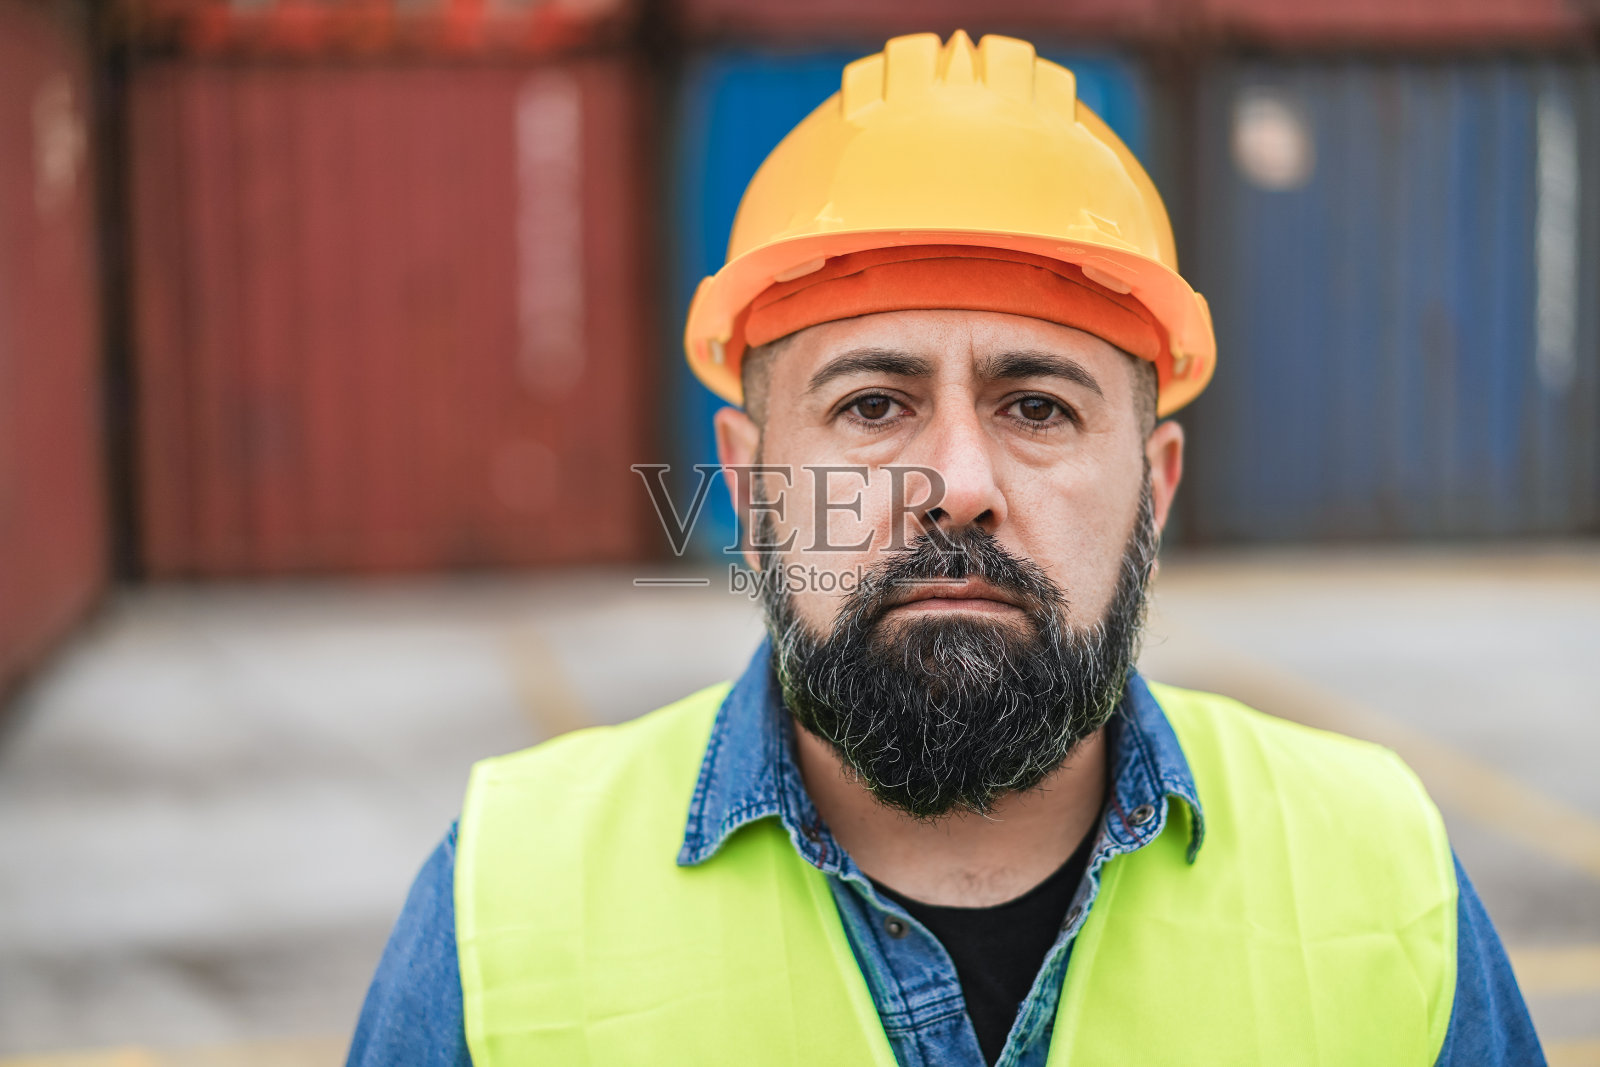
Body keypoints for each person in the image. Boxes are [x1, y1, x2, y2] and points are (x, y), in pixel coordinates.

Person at [347, 30, 1544, 1066]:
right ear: (749, 475)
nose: (958, 487)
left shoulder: (1384, 875)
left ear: (1156, 485)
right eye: (873, 404)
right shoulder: (502, 900)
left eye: (1038, 406)